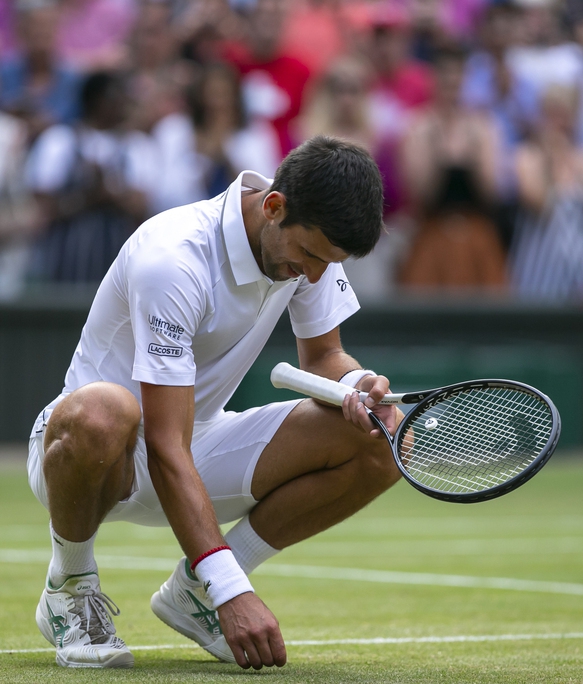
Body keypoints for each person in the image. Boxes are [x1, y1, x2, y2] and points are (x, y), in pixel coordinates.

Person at [27, 135, 404, 670]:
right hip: (90, 457)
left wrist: (359, 383)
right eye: (311, 257)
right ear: (274, 207)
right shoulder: (173, 258)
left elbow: (325, 355)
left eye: (330, 263)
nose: (316, 275)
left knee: (384, 438)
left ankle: (193, 597)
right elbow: (162, 443)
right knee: (103, 412)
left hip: (195, 447)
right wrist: (232, 588)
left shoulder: (304, 240)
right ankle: (70, 583)